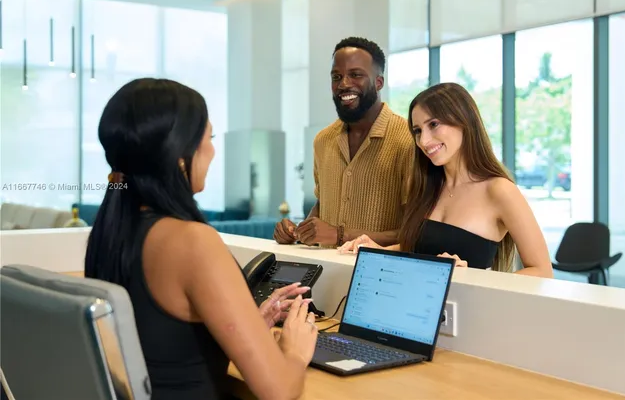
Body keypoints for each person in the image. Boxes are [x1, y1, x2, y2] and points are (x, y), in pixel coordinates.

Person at [84, 78, 318, 400]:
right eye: (209, 138)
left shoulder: (111, 232)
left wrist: (247, 325)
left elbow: (161, 340)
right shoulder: (192, 241)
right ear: (181, 154)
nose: (212, 150)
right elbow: (279, 391)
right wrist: (294, 352)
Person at [338, 83, 554, 278]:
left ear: (464, 121)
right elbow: (418, 250)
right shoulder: (425, 185)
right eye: (417, 130)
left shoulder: (499, 190)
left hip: (470, 314)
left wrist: (473, 278)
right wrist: (377, 250)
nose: (424, 140)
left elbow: (542, 271)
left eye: (433, 124)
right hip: (416, 312)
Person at [274, 37, 414, 248]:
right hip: (325, 274)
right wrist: (299, 231)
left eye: (356, 75)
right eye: (336, 76)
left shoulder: (408, 139)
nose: (344, 84)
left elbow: (414, 232)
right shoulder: (323, 140)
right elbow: (324, 206)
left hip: (380, 276)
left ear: (379, 82)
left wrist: (340, 235)